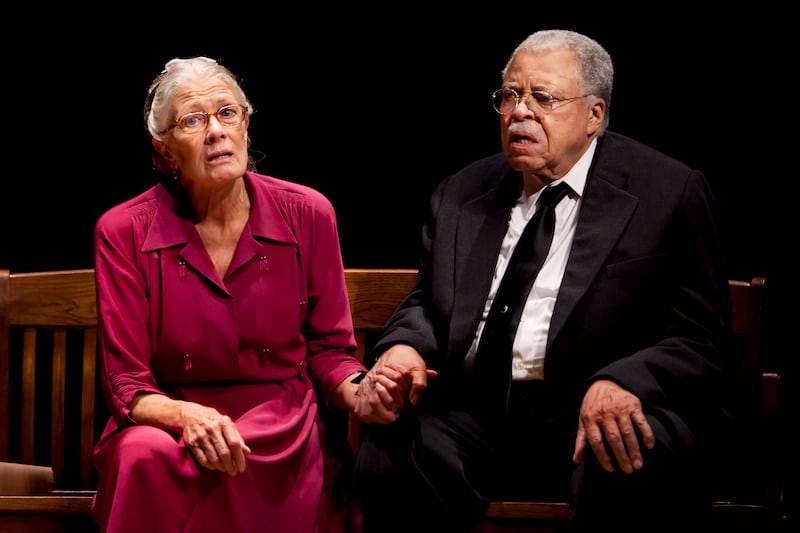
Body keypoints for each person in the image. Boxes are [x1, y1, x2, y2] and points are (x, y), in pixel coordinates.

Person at [352, 29, 732, 532]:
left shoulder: (668, 192)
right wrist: (404, 348)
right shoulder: (463, 191)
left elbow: (700, 339)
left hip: (596, 412)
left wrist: (624, 379)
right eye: (509, 96)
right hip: (482, 413)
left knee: (629, 450)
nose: (520, 112)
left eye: (543, 98)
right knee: (395, 448)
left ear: (595, 114)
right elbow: (429, 299)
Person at [90, 56, 402, 533]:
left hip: (281, 425)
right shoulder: (123, 230)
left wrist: (361, 393)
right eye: (193, 121)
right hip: (172, 419)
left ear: (246, 126)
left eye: (227, 113)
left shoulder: (308, 213)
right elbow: (127, 384)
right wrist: (186, 416)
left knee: (274, 453)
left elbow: (329, 352)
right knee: (141, 455)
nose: (216, 131)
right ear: (165, 151)